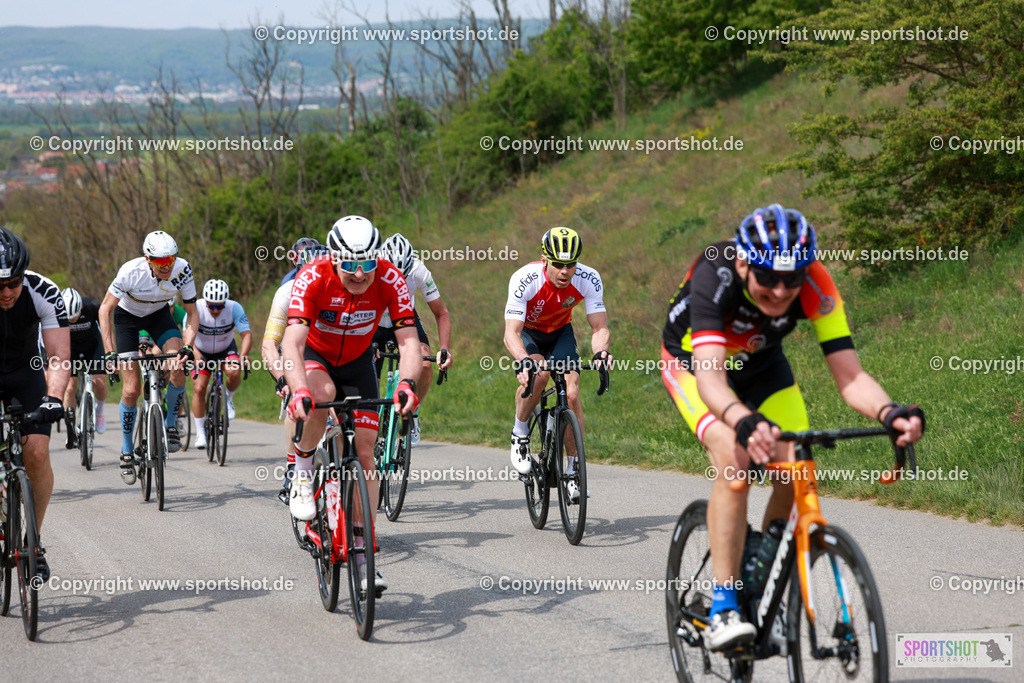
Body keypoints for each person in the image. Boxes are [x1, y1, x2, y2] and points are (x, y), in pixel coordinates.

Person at [660, 203, 925, 650]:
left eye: (792, 279)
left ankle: (762, 582)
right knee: (735, 460)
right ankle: (724, 605)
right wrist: (743, 420)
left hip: (763, 367)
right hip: (694, 365)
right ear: (744, 263)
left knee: (798, 463)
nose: (781, 291)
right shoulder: (715, 273)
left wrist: (889, 413)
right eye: (768, 278)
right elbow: (709, 378)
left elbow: (852, 376)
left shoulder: (816, 283)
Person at [282, 215, 421, 592]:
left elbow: (409, 341)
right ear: (333, 259)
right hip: (317, 357)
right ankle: (303, 471)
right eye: (350, 266)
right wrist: (298, 390)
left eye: (367, 265)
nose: (360, 274)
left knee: (365, 454)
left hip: (359, 363)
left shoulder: (391, 278)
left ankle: (363, 551)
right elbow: (291, 343)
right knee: (320, 396)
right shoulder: (311, 277)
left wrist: (407, 384)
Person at [503, 227, 610, 501]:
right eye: (559, 265)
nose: (565, 271)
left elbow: (599, 327)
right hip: (529, 333)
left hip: (560, 332)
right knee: (539, 376)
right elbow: (510, 333)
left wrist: (600, 354)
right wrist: (524, 361)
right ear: (544, 259)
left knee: (572, 394)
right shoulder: (525, 279)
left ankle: (574, 471)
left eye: (571, 265)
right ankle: (520, 434)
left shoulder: (589, 278)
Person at [99, 230, 199, 485]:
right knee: (131, 389)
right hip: (127, 320)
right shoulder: (129, 272)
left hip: (158, 315)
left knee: (178, 364)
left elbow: (192, 312)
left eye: (171, 260)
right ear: (148, 259)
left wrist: (188, 346)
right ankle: (125, 450)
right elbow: (104, 310)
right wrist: (110, 353)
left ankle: (171, 424)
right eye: (161, 261)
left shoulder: (183, 269)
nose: (167, 266)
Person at [0, 226, 71, 581]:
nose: (8, 292)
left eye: (13, 283)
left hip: (25, 373)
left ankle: (34, 542)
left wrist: (54, 397)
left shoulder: (41, 290)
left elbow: (59, 355)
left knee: (38, 454)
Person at [263, 241, 330, 504]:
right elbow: (269, 345)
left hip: (331, 351)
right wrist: (282, 378)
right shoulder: (287, 292)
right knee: (297, 398)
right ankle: (294, 468)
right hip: (298, 351)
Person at [375, 233, 453, 445]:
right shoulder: (371, 268)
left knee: (425, 362)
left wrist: (444, 348)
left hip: (403, 318)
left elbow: (441, 313)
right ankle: (371, 420)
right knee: (369, 377)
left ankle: (413, 409)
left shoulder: (419, 270)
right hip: (374, 321)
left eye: (403, 275)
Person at [187, 279, 251, 447]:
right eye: (212, 306)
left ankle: (228, 398)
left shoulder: (234, 308)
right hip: (201, 351)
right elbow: (187, 337)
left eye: (219, 306)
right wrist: (196, 355)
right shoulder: (196, 308)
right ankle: (200, 433)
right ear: (205, 301)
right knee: (199, 388)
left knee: (235, 370)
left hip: (226, 349)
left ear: (225, 302)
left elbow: (246, 334)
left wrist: (243, 355)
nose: (215, 310)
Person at [60, 287, 109, 443]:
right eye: (69, 318)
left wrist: (110, 352)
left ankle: (99, 410)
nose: (72, 320)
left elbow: (107, 329)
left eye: (74, 316)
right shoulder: (56, 311)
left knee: (99, 383)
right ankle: (71, 423)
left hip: (93, 346)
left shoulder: (93, 306)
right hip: (70, 349)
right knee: (69, 388)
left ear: (81, 307)